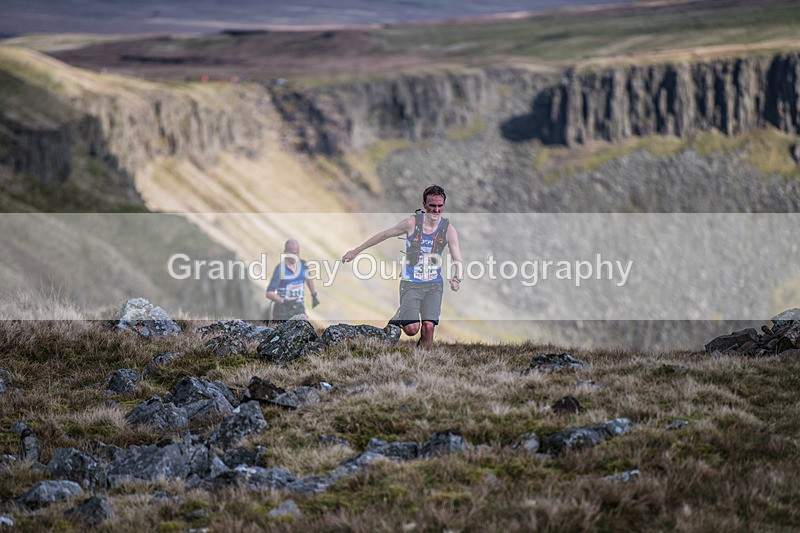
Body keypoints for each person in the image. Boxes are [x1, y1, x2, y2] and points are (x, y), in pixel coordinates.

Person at [342, 185, 463, 349]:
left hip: (434, 284)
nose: (436, 210)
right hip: (410, 283)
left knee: (428, 326)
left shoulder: (448, 230)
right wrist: (355, 251)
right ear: (424, 204)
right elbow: (384, 235)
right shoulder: (411, 223)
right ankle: (401, 316)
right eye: (432, 205)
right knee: (412, 329)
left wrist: (457, 277)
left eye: (440, 206)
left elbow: (457, 257)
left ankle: (421, 364)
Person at [266, 239, 319, 321]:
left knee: (304, 327)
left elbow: (309, 279)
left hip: (298, 307)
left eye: (297, 252)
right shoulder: (280, 269)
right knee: (279, 332)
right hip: (282, 309)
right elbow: (269, 293)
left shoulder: (303, 265)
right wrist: (283, 301)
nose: (295, 256)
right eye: (292, 253)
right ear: (285, 252)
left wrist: (313, 294)